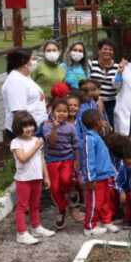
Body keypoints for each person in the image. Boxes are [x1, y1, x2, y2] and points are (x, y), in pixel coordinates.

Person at [9, 111, 54, 245]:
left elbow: (42, 159)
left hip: (37, 178)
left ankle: (36, 227)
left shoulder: (36, 140)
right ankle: (21, 233)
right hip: (23, 180)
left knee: (35, 204)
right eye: (25, 126)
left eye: (31, 125)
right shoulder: (16, 142)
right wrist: (36, 147)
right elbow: (23, 158)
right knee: (22, 206)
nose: (29, 129)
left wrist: (46, 176)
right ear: (18, 128)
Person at [41, 98, 79, 230]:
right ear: (52, 112)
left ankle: (71, 191)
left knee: (66, 179)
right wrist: (55, 128)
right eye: (58, 111)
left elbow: (76, 145)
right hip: (52, 160)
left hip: (67, 159)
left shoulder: (70, 127)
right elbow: (51, 142)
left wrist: (77, 161)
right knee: (55, 188)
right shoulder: (47, 126)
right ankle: (62, 210)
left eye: (64, 111)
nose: (62, 114)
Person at [79, 109, 119, 236]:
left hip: (105, 175)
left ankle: (106, 221)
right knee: (95, 202)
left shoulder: (97, 136)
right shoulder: (89, 139)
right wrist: (90, 178)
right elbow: (88, 160)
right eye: (102, 119)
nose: (104, 121)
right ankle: (90, 226)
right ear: (96, 122)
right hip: (96, 178)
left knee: (105, 201)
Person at [2, 48, 48, 141]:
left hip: (35, 127)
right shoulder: (15, 81)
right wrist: (28, 136)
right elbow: (19, 112)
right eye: (32, 59)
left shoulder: (24, 77)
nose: (35, 62)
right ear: (24, 62)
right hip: (26, 132)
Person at [88, 39, 120, 129]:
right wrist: (97, 98)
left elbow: (118, 86)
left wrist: (120, 72)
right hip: (93, 101)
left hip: (112, 102)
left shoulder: (117, 67)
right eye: (105, 49)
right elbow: (88, 83)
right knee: (95, 126)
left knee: (111, 127)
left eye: (110, 50)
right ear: (99, 50)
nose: (107, 51)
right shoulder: (91, 64)